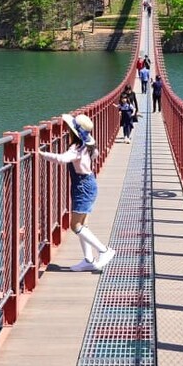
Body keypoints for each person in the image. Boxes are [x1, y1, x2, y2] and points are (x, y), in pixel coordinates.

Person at [39, 113, 116, 272]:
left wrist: (40, 154)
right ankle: (89, 260)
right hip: (86, 184)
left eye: (69, 129)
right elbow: (95, 154)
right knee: (83, 224)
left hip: (83, 186)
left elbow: (62, 159)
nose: (67, 130)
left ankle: (104, 250)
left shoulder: (76, 148)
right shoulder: (86, 146)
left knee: (74, 225)